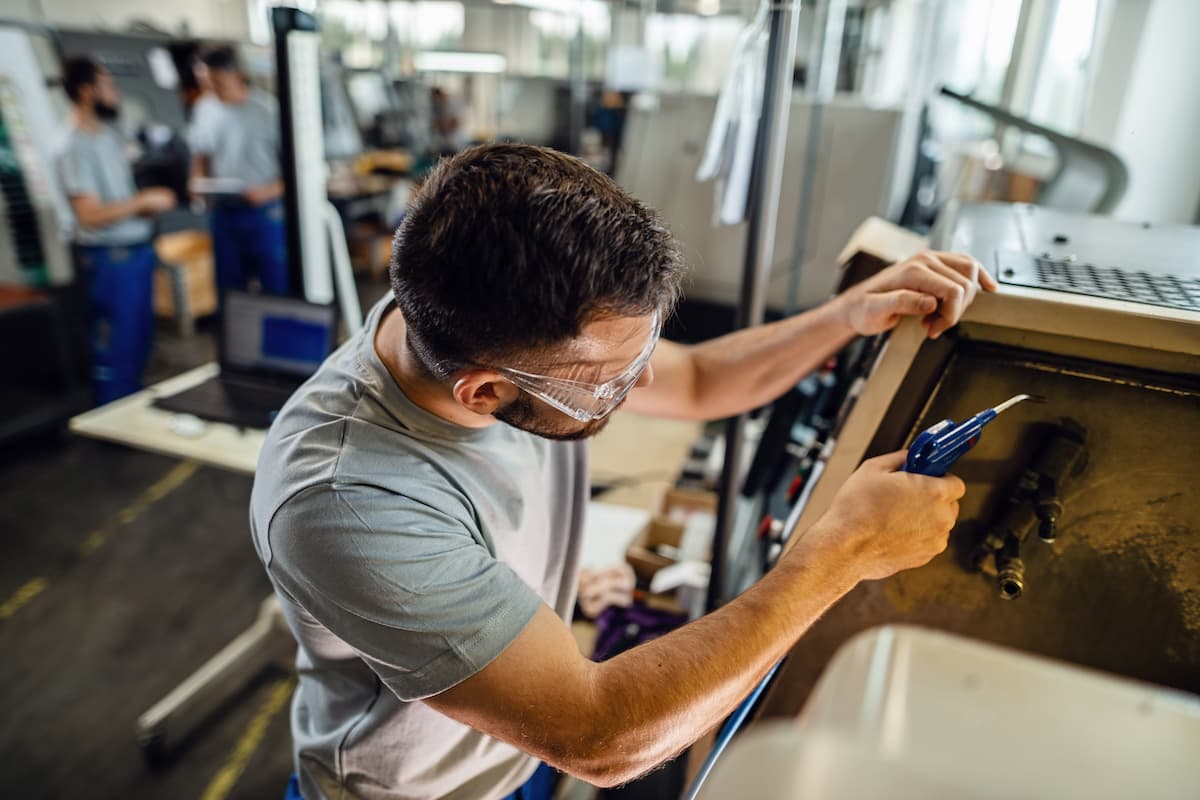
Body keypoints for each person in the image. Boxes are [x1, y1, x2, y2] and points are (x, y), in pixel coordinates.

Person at [251, 143, 997, 800]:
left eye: (640, 355)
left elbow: (700, 379)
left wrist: (844, 315)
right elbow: (598, 735)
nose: (640, 386)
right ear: (484, 392)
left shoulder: (468, 314)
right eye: (610, 379)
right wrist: (839, 556)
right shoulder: (348, 501)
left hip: (512, 755)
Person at [53, 56, 177, 405]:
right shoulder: (72, 145)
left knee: (138, 340)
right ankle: (113, 419)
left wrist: (147, 208)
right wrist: (143, 201)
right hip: (109, 261)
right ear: (85, 91)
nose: (114, 92)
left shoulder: (107, 136)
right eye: (106, 84)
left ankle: (132, 408)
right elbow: (89, 215)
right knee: (116, 346)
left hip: (135, 253)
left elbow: (118, 199)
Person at [190, 46, 287, 295]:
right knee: (229, 288)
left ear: (237, 75)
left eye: (216, 82)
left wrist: (267, 193)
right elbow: (201, 156)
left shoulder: (267, 110)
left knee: (275, 286)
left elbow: (292, 169)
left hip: (264, 211)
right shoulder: (204, 110)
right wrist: (198, 182)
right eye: (205, 82)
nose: (210, 89)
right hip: (225, 212)